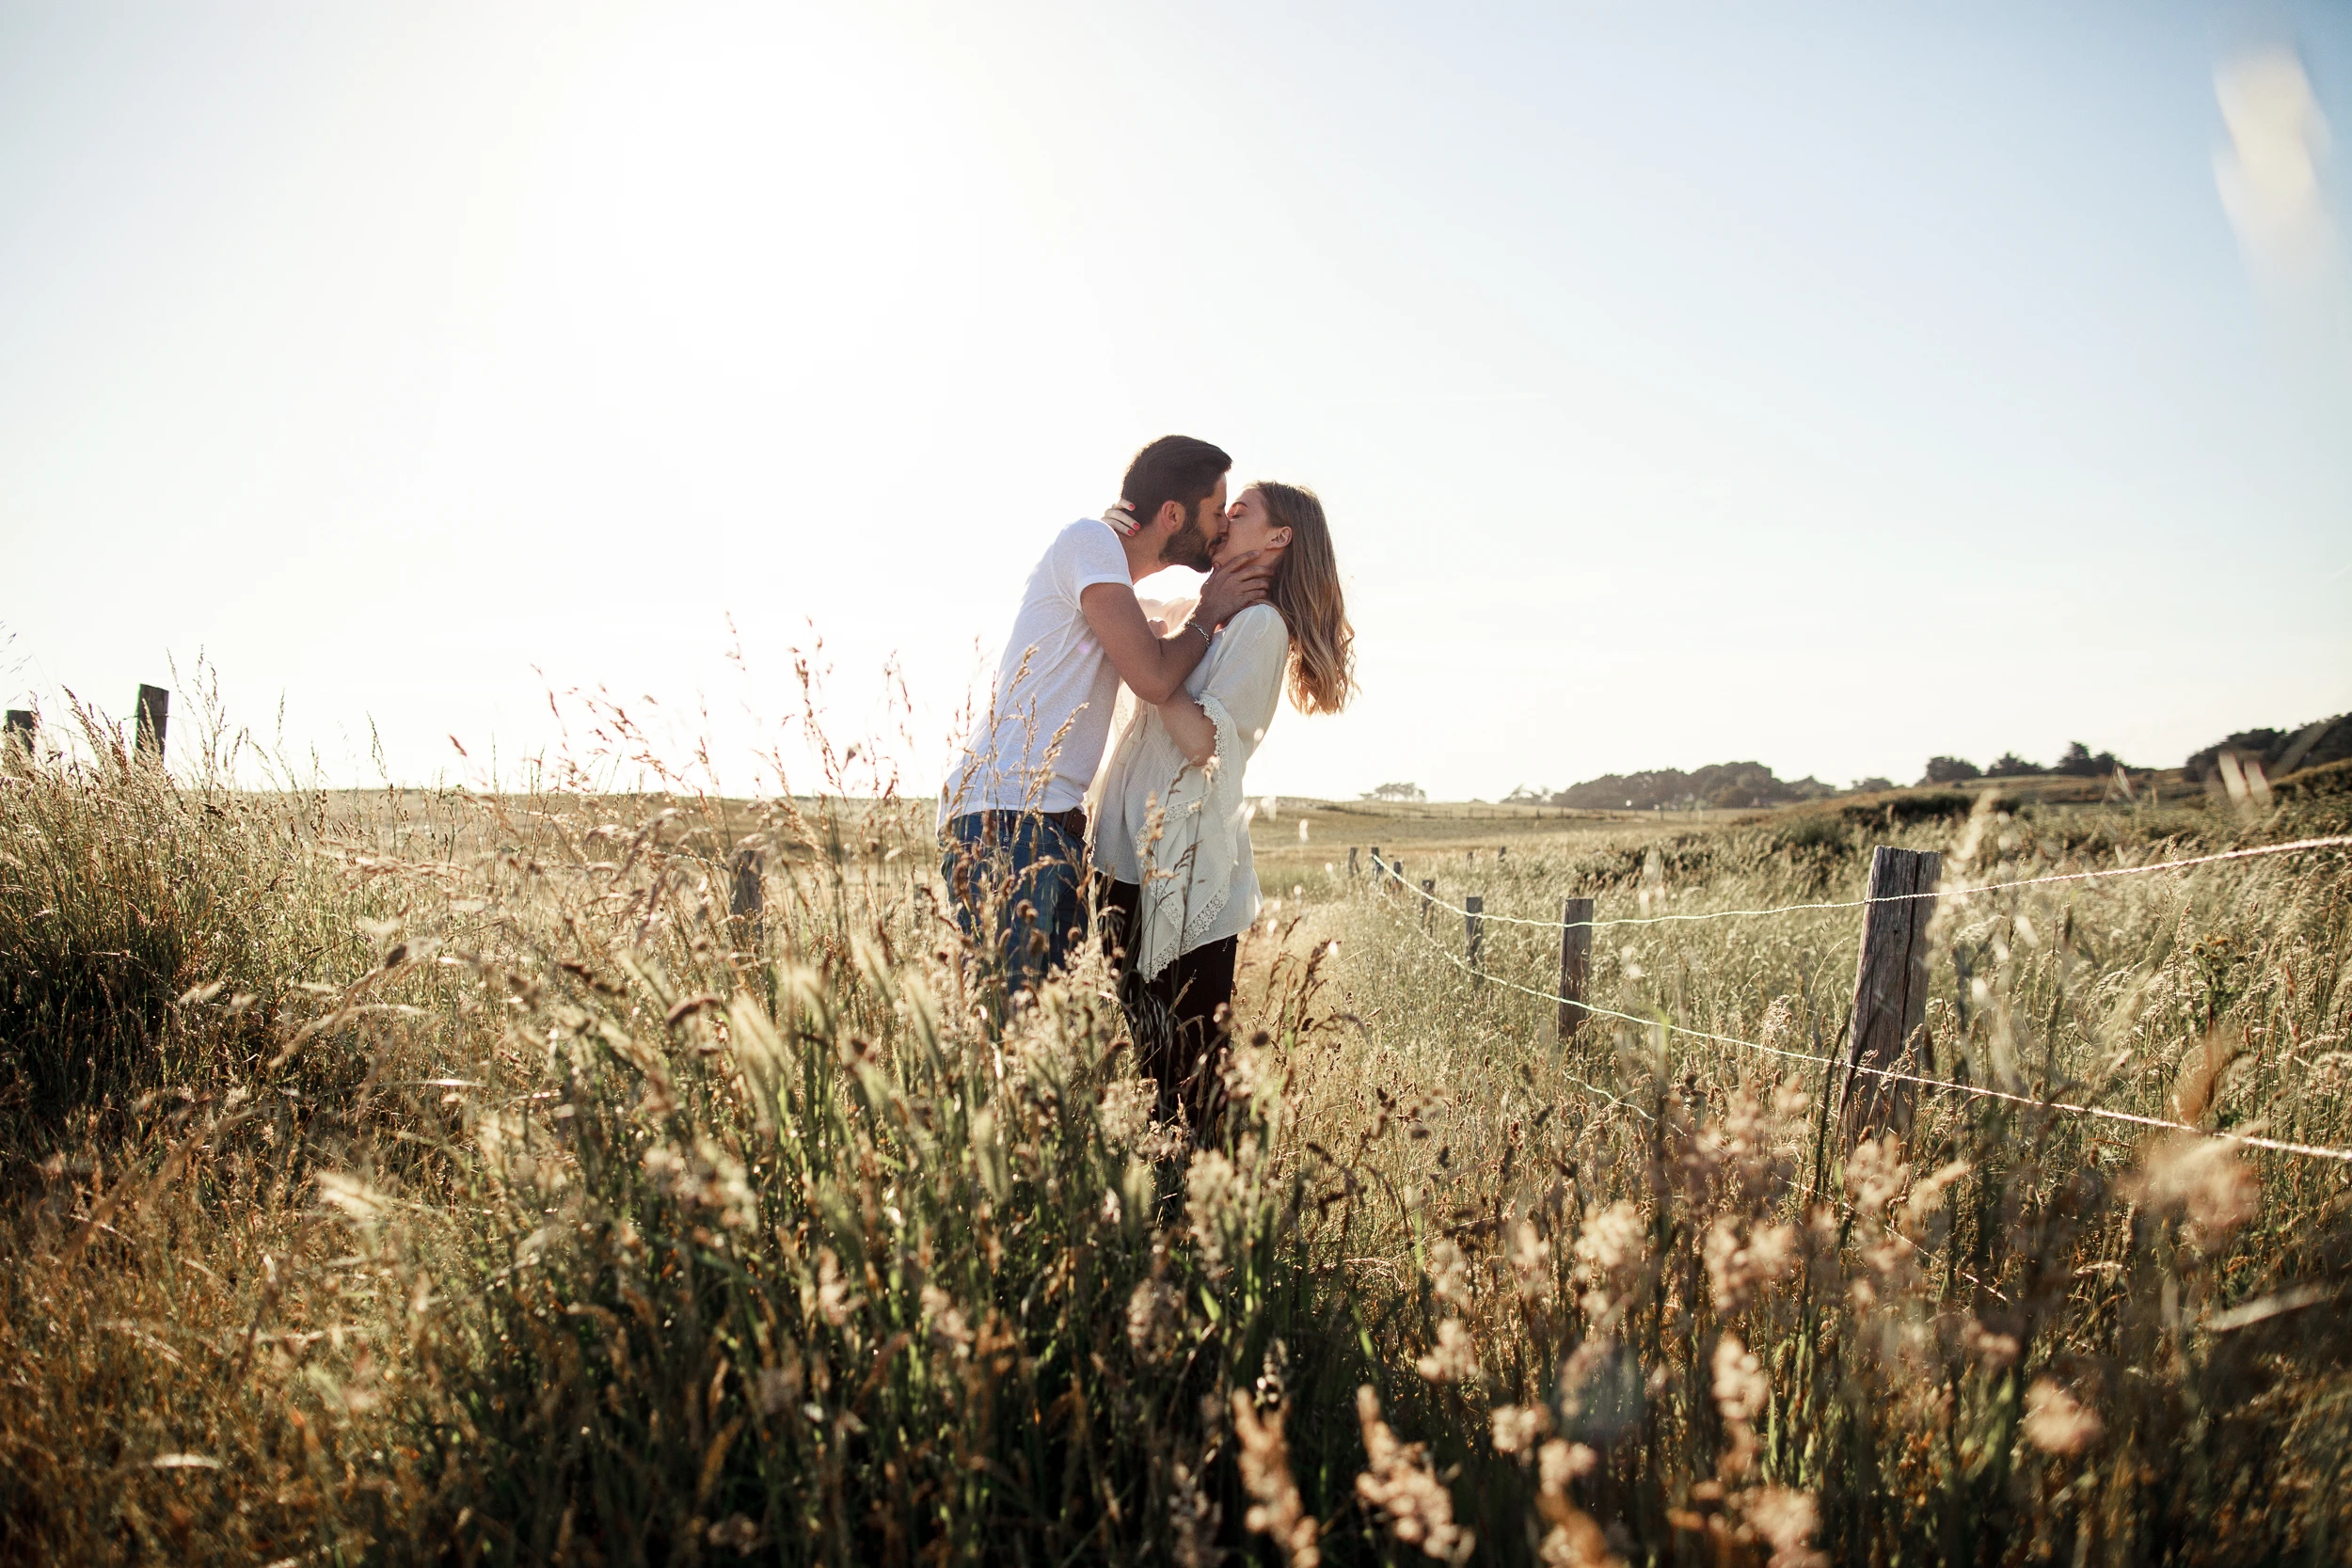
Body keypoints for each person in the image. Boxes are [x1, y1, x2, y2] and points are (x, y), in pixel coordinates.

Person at [940, 436, 1272, 1010]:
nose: (1221, 527)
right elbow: (1153, 675)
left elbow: (1159, 637)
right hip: (1007, 819)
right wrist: (1209, 609)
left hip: (1057, 829)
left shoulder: (1107, 575)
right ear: (1173, 514)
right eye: (1217, 511)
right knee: (1012, 1038)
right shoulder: (1089, 542)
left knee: (1046, 1039)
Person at [1093, 481, 1354, 1133]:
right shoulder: (1218, 609)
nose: (1222, 520)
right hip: (1132, 855)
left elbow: (1208, 742)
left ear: (1278, 538)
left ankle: (1206, 1212)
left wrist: (1155, 675)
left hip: (1183, 870)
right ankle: (1180, 1206)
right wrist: (1114, 540)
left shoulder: (1261, 625)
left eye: (1238, 513)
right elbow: (1113, 605)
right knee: (1159, 1057)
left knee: (1190, 1068)